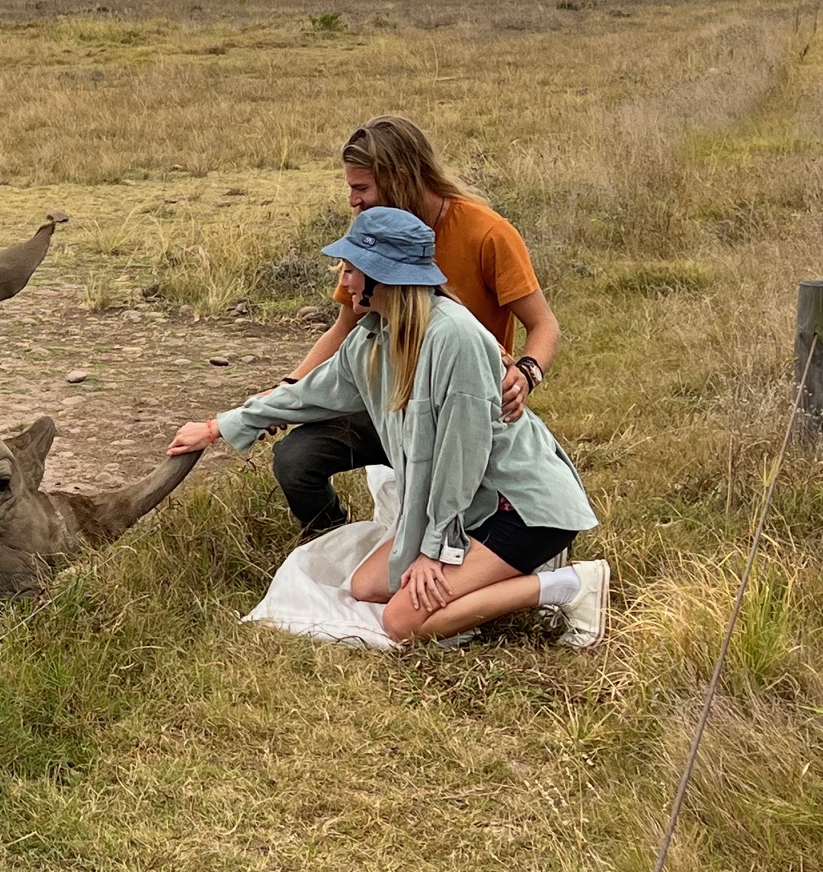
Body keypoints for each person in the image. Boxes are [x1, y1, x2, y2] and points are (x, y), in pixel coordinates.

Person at [168, 207, 607, 647]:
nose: (345, 283)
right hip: (471, 506)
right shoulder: (373, 337)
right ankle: (502, 573)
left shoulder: (456, 338)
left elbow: (462, 457)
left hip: (519, 507)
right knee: (367, 586)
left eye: (351, 269)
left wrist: (435, 551)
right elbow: (307, 394)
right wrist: (217, 426)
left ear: (386, 276)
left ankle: (569, 586)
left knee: (402, 623)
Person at [272, 116, 561, 537]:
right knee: (295, 460)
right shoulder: (370, 234)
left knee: (445, 528)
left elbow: (544, 324)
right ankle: (330, 538)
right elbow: (343, 330)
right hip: (388, 406)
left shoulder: (487, 233)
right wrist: (287, 388)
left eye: (361, 188)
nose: (353, 201)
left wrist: (527, 373)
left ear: (401, 177)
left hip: (460, 417)